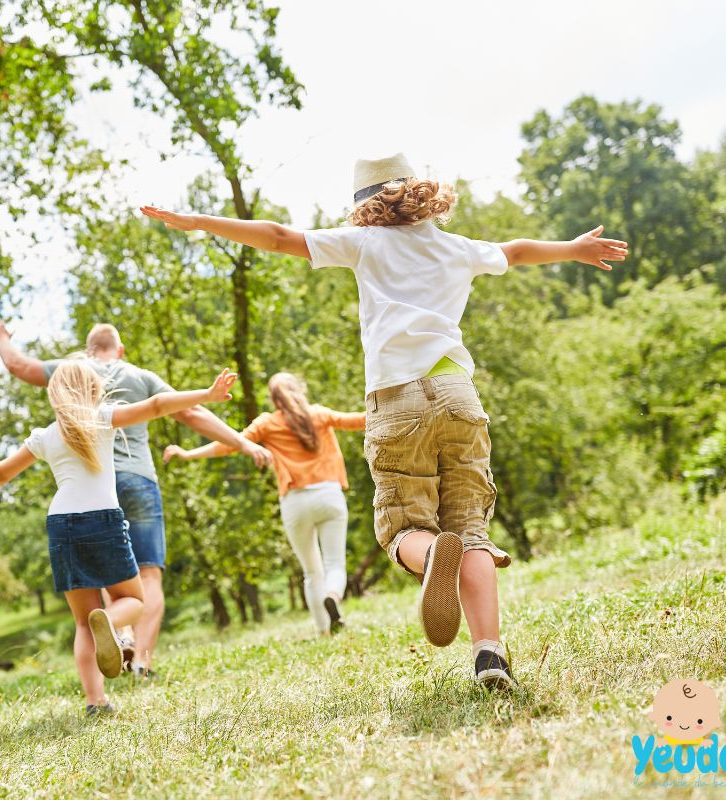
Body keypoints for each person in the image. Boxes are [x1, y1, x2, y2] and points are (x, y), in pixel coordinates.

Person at [140, 152, 628, 689]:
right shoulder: (455, 247)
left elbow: (279, 236)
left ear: (365, 206)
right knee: (471, 530)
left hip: (397, 400)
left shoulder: (365, 244)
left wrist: (199, 222)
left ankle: (429, 555)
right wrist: (576, 249)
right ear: (419, 193)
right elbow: (515, 251)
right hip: (457, 394)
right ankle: (490, 656)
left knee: (402, 527)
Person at [0, 361, 239, 714]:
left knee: (81, 622)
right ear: (93, 390)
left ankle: (95, 701)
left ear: (55, 394)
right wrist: (207, 395)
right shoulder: (102, 418)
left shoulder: (44, 436)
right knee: (134, 600)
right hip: (102, 520)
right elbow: (156, 406)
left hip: (61, 525)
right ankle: (111, 621)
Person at [0, 321, 271, 679]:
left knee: (112, 575)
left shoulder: (71, 371)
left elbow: (19, 366)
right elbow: (189, 412)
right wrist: (243, 442)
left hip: (91, 489)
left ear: (88, 349)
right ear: (120, 350)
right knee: (148, 576)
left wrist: (2, 339)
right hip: (138, 480)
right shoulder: (140, 375)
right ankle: (142, 661)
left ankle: (120, 635)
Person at [163, 372, 366, 635]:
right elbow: (360, 420)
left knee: (311, 571)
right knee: (334, 565)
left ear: (273, 399)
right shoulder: (320, 415)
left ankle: (323, 631)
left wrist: (189, 453)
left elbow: (231, 443)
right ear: (299, 390)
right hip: (329, 495)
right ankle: (333, 595)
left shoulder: (267, 423)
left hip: (295, 502)